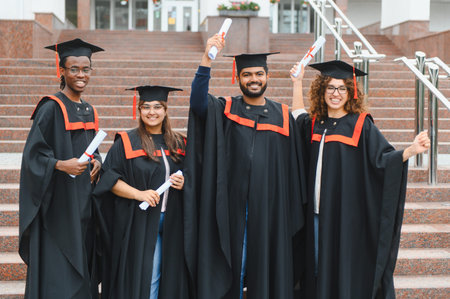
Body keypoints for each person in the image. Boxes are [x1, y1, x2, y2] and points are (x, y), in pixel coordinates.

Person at [290, 60, 430, 299]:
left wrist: (410, 151)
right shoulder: (314, 123)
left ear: (350, 92)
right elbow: (297, 115)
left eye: (342, 88)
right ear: (322, 90)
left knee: (339, 270)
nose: (336, 94)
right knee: (314, 268)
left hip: (344, 218)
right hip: (314, 215)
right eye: (330, 88)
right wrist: (297, 82)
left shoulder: (360, 124)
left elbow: (382, 160)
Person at [183, 34, 307, 299]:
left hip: (270, 211)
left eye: (259, 74)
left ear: (268, 76)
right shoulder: (225, 109)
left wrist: (298, 85)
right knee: (234, 268)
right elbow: (197, 103)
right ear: (238, 78)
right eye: (247, 74)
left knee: (267, 271)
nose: (254, 79)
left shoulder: (282, 115)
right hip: (231, 209)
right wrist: (207, 58)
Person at [19, 38, 104, 298]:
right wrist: (58, 164)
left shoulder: (89, 110)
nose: (81, 75)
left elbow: (93, 148)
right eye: (74, 68)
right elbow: (32, 156)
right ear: (62, 71)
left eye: (86, 69)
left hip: (83, 204)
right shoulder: (50, 108)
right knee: (60, 272)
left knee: (83, 264)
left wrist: (97, 162)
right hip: (57, 207)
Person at [93, 85, 190, 299]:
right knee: (150, 275)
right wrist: (139, 194)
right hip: (142, 222)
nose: (151, 112)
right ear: (139, 110)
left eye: (157, 107)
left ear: (165, 110)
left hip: (175, 222)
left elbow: (196, 177)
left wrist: (186, 183)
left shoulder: (180, 142)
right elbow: (109, 180)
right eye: (146, 107)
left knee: (173, 276)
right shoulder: (127, 142)